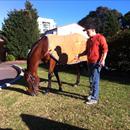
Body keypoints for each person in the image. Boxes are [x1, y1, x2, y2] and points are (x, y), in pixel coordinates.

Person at [78, 24, 108, 105]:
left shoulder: (100, 37)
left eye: (88, 31)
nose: (87, 33)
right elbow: (87, 51)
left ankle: (94, 98)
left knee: (95, 80)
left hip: (97, 62)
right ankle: (91, 95)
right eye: (86, 32)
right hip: (89, 62)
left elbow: (105, 49)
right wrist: (80, 54)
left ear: (93, 30)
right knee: (91, 80)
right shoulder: (88, 40)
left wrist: (103, 60)